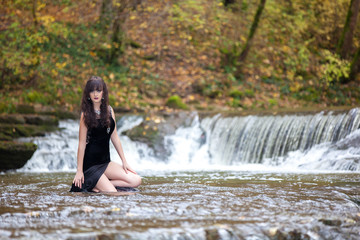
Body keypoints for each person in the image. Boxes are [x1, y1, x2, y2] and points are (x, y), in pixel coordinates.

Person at [70, 76, 141, 193]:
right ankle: (93, 182)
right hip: (91, 167)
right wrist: (79, 171)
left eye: (98, 90)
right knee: (113, 193)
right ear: (88, 94)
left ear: (103, 92)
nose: (95, 94)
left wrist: (124, 161)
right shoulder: (86, 115)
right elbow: (81, 144)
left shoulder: (109, 110)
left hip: (105, 163)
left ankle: (91, 186)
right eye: (92, 91)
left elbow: (115, 137)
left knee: (136, 180)